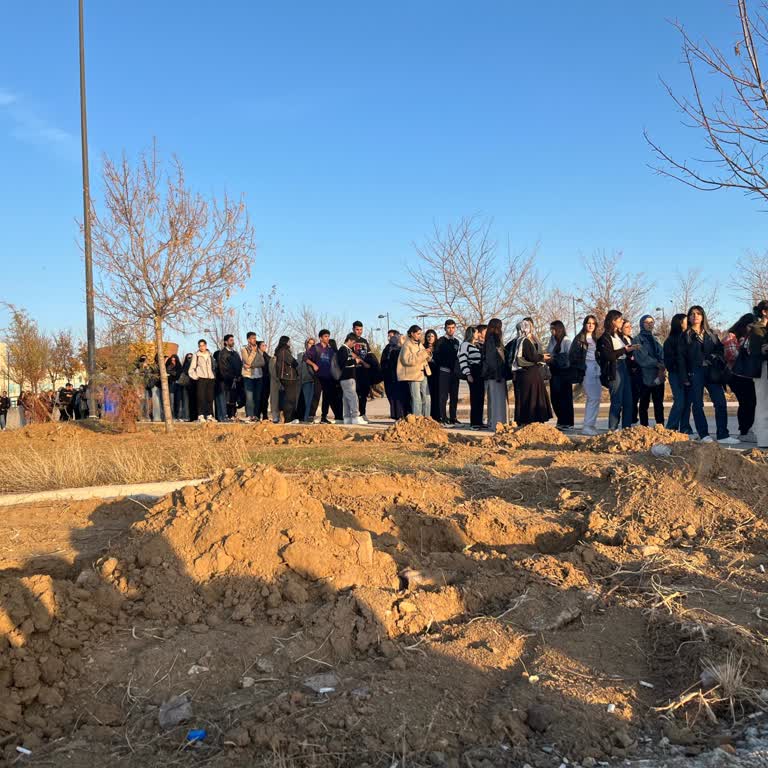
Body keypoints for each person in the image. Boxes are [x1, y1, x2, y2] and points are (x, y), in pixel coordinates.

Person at [679, 305, 739, 444]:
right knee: (698, 404)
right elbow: (681, 358)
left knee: (720, 402)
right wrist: (684, 377)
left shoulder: (711, 333)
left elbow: (719, 349)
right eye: (692, 314)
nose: (695, 316)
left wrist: (713, 356)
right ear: (689, 317)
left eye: (698, 313)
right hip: (695, 372)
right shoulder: (685, 335)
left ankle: (723, 435)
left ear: (703, 316)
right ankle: (704, 434)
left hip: (712, 372)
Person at [597, 310, 636, 431]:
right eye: (619, 320)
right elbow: (608, 356)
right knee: (617, 401)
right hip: (614, 369)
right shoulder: (604, 338)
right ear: (613, 321)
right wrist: (624, 350)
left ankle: (627, 429)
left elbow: (625, 351)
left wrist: (631, 351)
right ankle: (612, 430)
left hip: (624, 367)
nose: (622, 321)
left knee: (629, 401)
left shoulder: (619, 336)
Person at [723, 313, 757, 442]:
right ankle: (744, 431)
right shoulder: (732, 336)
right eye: (750, 326)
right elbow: (731, 355)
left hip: (748, 376)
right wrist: (744, 347)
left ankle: (747, 430)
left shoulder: (750, 338)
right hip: (736, 375)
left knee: (751, 403)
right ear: (743, 325)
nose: (752, 328)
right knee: (746, 403)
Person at [513, 319, 553, 426]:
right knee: (533, 397)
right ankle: (533, 420)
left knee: (527, 397)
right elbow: (531, 356)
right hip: (530, 373)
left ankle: (526, 420)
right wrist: (542, 357)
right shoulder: (525, 341)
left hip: (525, 374)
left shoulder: (518, 340)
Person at [569, 315, 600, 436]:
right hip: (587, 368)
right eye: (588, 323)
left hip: (597, 368)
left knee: (596, 398)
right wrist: (582, 367)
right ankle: (587, 426)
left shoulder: (596, 338)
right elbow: (572, 356)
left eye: (593, 323)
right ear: (585, 324)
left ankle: (590, 425)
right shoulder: (579, 339)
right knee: (592, 397)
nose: (591, 325)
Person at [663, 314, 693, 436]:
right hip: (676, 375)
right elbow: (669, 362)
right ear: (680, 323)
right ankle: (671, 427)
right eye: (686, 321)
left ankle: (685, 427)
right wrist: (681, 369)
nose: (689, 322)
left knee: (687, 402)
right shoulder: (670, 341)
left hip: (689, 374)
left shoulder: (689, 337)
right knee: (680, 401)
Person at [633, 315, 665, 427]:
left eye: (651, 322)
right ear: (641, 324)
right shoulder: (637, 339)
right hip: (644, 375)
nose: (649, 324)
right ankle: (644, 427)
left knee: (659, 403)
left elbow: (662, 354)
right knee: (644, 404)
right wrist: (657, 364)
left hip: (658, 375)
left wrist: (662, 366)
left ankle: (660, 427)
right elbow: (641, 357)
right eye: (646, 322)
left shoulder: (656, 339)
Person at [306, 330, 342, 423]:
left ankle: (324, 417)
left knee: (327, 398)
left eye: (328, 336)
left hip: (328, 378)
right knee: (316, 396)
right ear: (321, 338)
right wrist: (313, 365)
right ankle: (311, 416)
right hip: (318, 376)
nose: (327, 338)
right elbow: (305, 358)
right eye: (325, 336)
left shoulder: (330, 350)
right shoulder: (315, 348)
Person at [397, 325, 432, 417]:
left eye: (421, 334)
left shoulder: (419, 344)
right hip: (413, 375)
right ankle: (417, 419)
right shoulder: (407, 345)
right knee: (417, 399)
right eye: (418, 333)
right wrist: (423, 353)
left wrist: (428, 354)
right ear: (412, 333)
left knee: (427, 397)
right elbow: (407, 360)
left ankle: (426, 418)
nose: (420, 335)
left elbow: (424, 358)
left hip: (423, 373)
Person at [747, 300, 768, 449]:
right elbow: (756, 352)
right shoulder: (756, 329)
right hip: (762, 369)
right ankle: (764, 440)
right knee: (763, 404)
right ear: (764, 312)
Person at [547, 320, 574, 430]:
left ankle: (568, 422)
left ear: (559, 329)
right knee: (555, 398)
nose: (551, 331)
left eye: (553, 329)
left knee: (565, 398)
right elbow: (549, 352)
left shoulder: (566, 341)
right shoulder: (552, 340)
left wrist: (556, 358)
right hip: (554, 371)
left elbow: (569, 357)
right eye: (550, 329)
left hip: (564, 373)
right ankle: (560, 420)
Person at [483, 318, 508, 429]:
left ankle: (496, 423)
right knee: (499, 400)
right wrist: (498, 373)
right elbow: (494, 359)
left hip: (492, 374)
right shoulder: (494, 339)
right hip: (496, 374)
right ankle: (499, 424)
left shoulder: (488, 339)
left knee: (494, 400)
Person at [434, 320, 461, 425]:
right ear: (445, 328)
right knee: (443, 396)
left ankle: (453, 417)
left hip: (455, 374)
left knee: (454, 396)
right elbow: (436, 356)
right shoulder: (441, 341)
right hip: (444, 372)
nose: (451, 330)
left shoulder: (457, 342)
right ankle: (443, 417)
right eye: (449, 327)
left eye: (453, 327)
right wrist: (444, 365)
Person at [459, 326, 484, 430]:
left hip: (480, 372)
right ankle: (474, 422)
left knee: (480, 397)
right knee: (475, 397)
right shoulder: (465, 345)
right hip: (472, 371)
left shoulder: (476, 345)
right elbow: (463, 359)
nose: (478, 334)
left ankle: (479, 421)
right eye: (477, 332)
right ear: (472, 333)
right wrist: (468, 373)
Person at [338, 333, 366, 424]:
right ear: (349, 340)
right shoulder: (343, 350)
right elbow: (343, 363)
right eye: (353, 343)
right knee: (353, 397)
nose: (353, 345)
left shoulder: (347, 350)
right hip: (347, 377)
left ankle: (347, 418)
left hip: (348, 377)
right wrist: (355, 361)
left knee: (346, 398)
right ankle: (355, 417)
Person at [188, 339, 216, 422]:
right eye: (200, 346)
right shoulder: (196, 355)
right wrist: (196, 376)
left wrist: (213, 375)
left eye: (203, 345)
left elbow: (214, 366)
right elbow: (191, 369)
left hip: (210, 378)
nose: (202, 347)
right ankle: (201, 415)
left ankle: (209, 415)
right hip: (201, 378)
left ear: (206, 346)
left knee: (210, 397)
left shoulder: (210, 355)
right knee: (201, 397)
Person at [274, 336, 300, 424]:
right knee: (290, 398)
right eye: (289, 341)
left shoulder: (280, 351)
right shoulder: (284, 351)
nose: (290, 343)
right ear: (285, 342)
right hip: (288, 377)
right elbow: (293, 362)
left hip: (286, 377)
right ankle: (289, 419)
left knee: (289, 397)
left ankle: (290, 418)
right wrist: (296, 362)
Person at [241, 331, 266, 422]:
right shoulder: (244, 349)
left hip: (258, 376)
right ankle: (249, 415)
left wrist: (252, 365)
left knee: (257, 397)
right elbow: (247, 360)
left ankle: (256, 416)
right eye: (252, 338)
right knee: (249, 398)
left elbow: (262, 362)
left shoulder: (259, 350)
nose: (254, 340)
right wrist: (253, 352)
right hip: (248, 376)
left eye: (255, 338)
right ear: (248, 339)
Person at [217, 334, 242, 422]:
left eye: (233, 340)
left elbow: (239, 365)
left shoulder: (235, 353)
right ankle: (225, 416)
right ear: (226, 342)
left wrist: (238, 376)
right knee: (227, 399)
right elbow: (223, 368)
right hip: (226, 381)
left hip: (236, 380)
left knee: (234, 399)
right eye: (231, 340)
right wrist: (231, 377)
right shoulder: (222, 353)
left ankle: (232, 415)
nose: (232, 342)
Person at [621, 320, 642, 425]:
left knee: (635, 396)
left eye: (630, 326)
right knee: (628, 398)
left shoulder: (632, 339)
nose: (629, 329)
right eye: (626, 327)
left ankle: (634, 418)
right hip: (627, 370)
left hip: (636, 372)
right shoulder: (621, 340)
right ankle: (628, 420)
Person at [351, 322, 372, 421]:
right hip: (354, 370)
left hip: (364, 371)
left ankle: (363, 413)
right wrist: (363, 362)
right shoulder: (350, 339)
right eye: (357, 329)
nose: (359, 331)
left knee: (364, 393)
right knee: (354, 393)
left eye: (361, 329)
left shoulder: (364, 341)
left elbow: (369, 354)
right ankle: (354, 414)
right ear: (353, 329)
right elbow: (349, 352)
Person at [380, 331, 403, 419]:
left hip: (398, 376)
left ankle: (400, 415)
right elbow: (383, 361)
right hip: (388, 376)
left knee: (398, 396)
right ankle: (395, 415)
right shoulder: (387, 348)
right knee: (390, 395)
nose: (389, 338)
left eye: (391, 336)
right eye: (388, 336)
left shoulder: (400, 348)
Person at [298, 338, 318, 423]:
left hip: (311, 380)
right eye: (310, 343)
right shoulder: (300, 355)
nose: (312, 345)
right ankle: (304, 418)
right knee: (303, 401)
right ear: (306, 344)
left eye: (313, 344)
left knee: (310, 401)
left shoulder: (315, 355)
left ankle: (307, 419)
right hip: (302, 381)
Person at [423, 329, 440, 421]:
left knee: (436, 394)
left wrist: (432, 359)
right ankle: (427, 415)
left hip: (437, 374)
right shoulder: (422, 347)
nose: (430, 338)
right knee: (427, 395)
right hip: (426, 374)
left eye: (432, 336)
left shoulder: (438, 347)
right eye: (428, 336)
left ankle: (437, 416)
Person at [178, 352, 195, 421]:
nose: (189, 359)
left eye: (191, 357)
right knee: (186, 401)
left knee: (191, 401)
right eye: (188, 357)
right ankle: (186, 416)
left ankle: (190, 416)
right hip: (186, 385)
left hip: (193, 385)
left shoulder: (193, 365)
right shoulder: (185, 365)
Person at [165, 353, 182, 420]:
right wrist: (173, 373)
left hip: (178, 385)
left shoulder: (179, 366)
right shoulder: (168, 366)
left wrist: (171, 373)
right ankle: (172, 416)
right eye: (172, 360)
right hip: (171, 384)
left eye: (174, 360)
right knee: (171, 401)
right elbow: (167, 372)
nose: (173, 361)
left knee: (178, 401)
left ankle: (178, 416)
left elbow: (178, 373)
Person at [259, 342, 272, 421]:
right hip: (259, 378)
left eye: (265, 345)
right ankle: (258, 414)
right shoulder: (257, 355)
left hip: (266, 379)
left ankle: (265, 415)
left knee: (265, 398)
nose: (265, 347)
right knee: (259, 398)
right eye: (263, 345)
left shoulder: (266, 355)